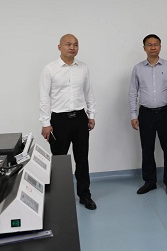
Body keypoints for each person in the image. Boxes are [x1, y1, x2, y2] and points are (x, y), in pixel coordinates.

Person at [39, 34, 97, 210]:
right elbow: (44, 97)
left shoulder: (83, 68)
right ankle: (59, 198)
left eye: (76, 45)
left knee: (82, 159)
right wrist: (45, 123)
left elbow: (89, 92)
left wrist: (91, 115)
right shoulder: (50, 69)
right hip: (59, 120)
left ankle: (85, 195)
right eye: (68, 44)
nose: (72, 47)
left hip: (80, 118)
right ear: (59, 47)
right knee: (59, 161)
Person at [128, 34, 167, 196]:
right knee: (147, 149)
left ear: (160, 46)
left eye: (156, 44)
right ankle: (149, 181)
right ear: (144, 47)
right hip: (146, 114)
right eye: (149, 45)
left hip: (166, 113)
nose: (153, 47)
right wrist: (133, 115)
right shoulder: (138, 68)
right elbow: (132, 93)